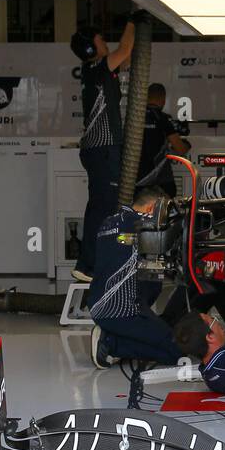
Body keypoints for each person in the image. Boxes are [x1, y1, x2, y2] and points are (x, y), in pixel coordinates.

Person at [70, 17, 135, 283]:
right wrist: (131, 21)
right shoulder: (96, 67)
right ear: (90, 48)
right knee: (103, 206)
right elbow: (125, 51)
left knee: (103, 205)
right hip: (103, 148)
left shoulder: (95, 71)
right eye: (99, 39)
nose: (104, 42)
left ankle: (95, 263)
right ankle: (88, 265)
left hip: (100, 149)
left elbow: (126, 59)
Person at [89, 186, 181, 368]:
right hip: (125, 311)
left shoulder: (109, 222)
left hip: (98, 305)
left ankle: (117, 337)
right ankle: (111, 343)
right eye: (163, 212)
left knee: (162, 336)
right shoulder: (143, 224)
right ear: (151, 209)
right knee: (177, 351)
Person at [138, 83, 191, 199]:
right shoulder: (163, 119)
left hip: (136, 179)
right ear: (163, 99)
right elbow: (180, 149)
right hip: (160, 179)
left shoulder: (136, 117)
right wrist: (187, 145)